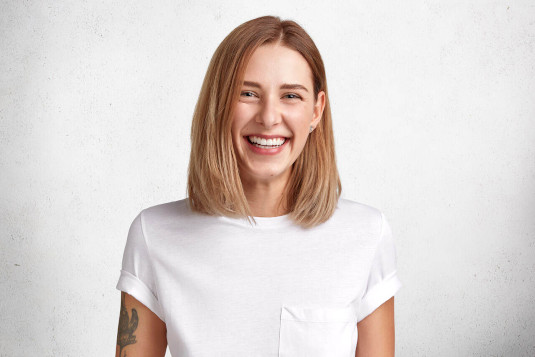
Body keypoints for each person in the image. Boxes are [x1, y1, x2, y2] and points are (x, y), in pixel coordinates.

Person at [115, 15, 402, 357]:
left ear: (316, 110)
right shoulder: (154, 235)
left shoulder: (366, 235)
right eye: (248, 93)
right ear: (219, 104)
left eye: (291, 96)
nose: (268, 117)